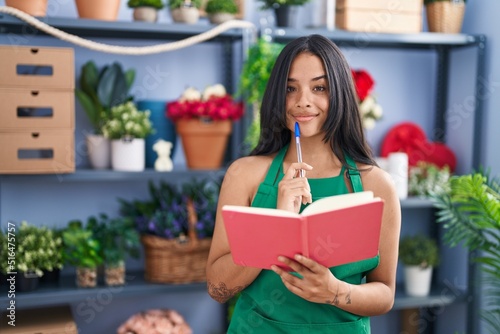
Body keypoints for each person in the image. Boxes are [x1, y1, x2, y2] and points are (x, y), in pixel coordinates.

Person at [206, 34, 401, 333]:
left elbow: (385, 294)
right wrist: (276, 227)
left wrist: (334, 291)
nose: (303, 101)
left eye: (319, 88)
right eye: (290, 89)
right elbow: (218, 288)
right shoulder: (243, 175)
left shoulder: (378, 185)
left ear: (340, 94)